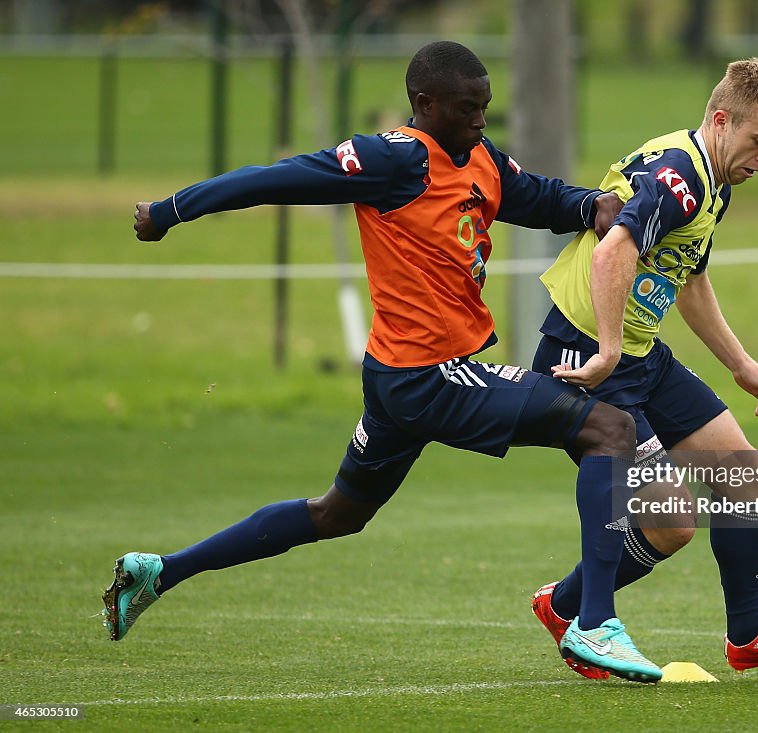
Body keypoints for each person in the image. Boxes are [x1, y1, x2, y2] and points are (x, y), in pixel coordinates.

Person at [102, 40, 664, 683]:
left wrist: (591, 204)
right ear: (424, 104)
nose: (481, 120)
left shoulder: (478, 157)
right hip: (431, 376)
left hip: (401, 378)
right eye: (466, 108)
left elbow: (534, 195)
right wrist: (172, 210)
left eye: (485, 107)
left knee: (337, 513)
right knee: (608, 429)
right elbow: (272, 178)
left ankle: (158, 572)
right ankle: (592, 621)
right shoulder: (389, 160)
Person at [529, 58, 758, 678]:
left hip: (640, 356)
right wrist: (608, 348)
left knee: (741, 474)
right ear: (721, 120)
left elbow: (689, 276)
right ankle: (573, 612)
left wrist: (740, 363)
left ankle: (747, 637)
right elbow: (612, 252)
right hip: (585, 354)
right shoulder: (680, 175)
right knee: (673, 520)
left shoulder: (714, 180)